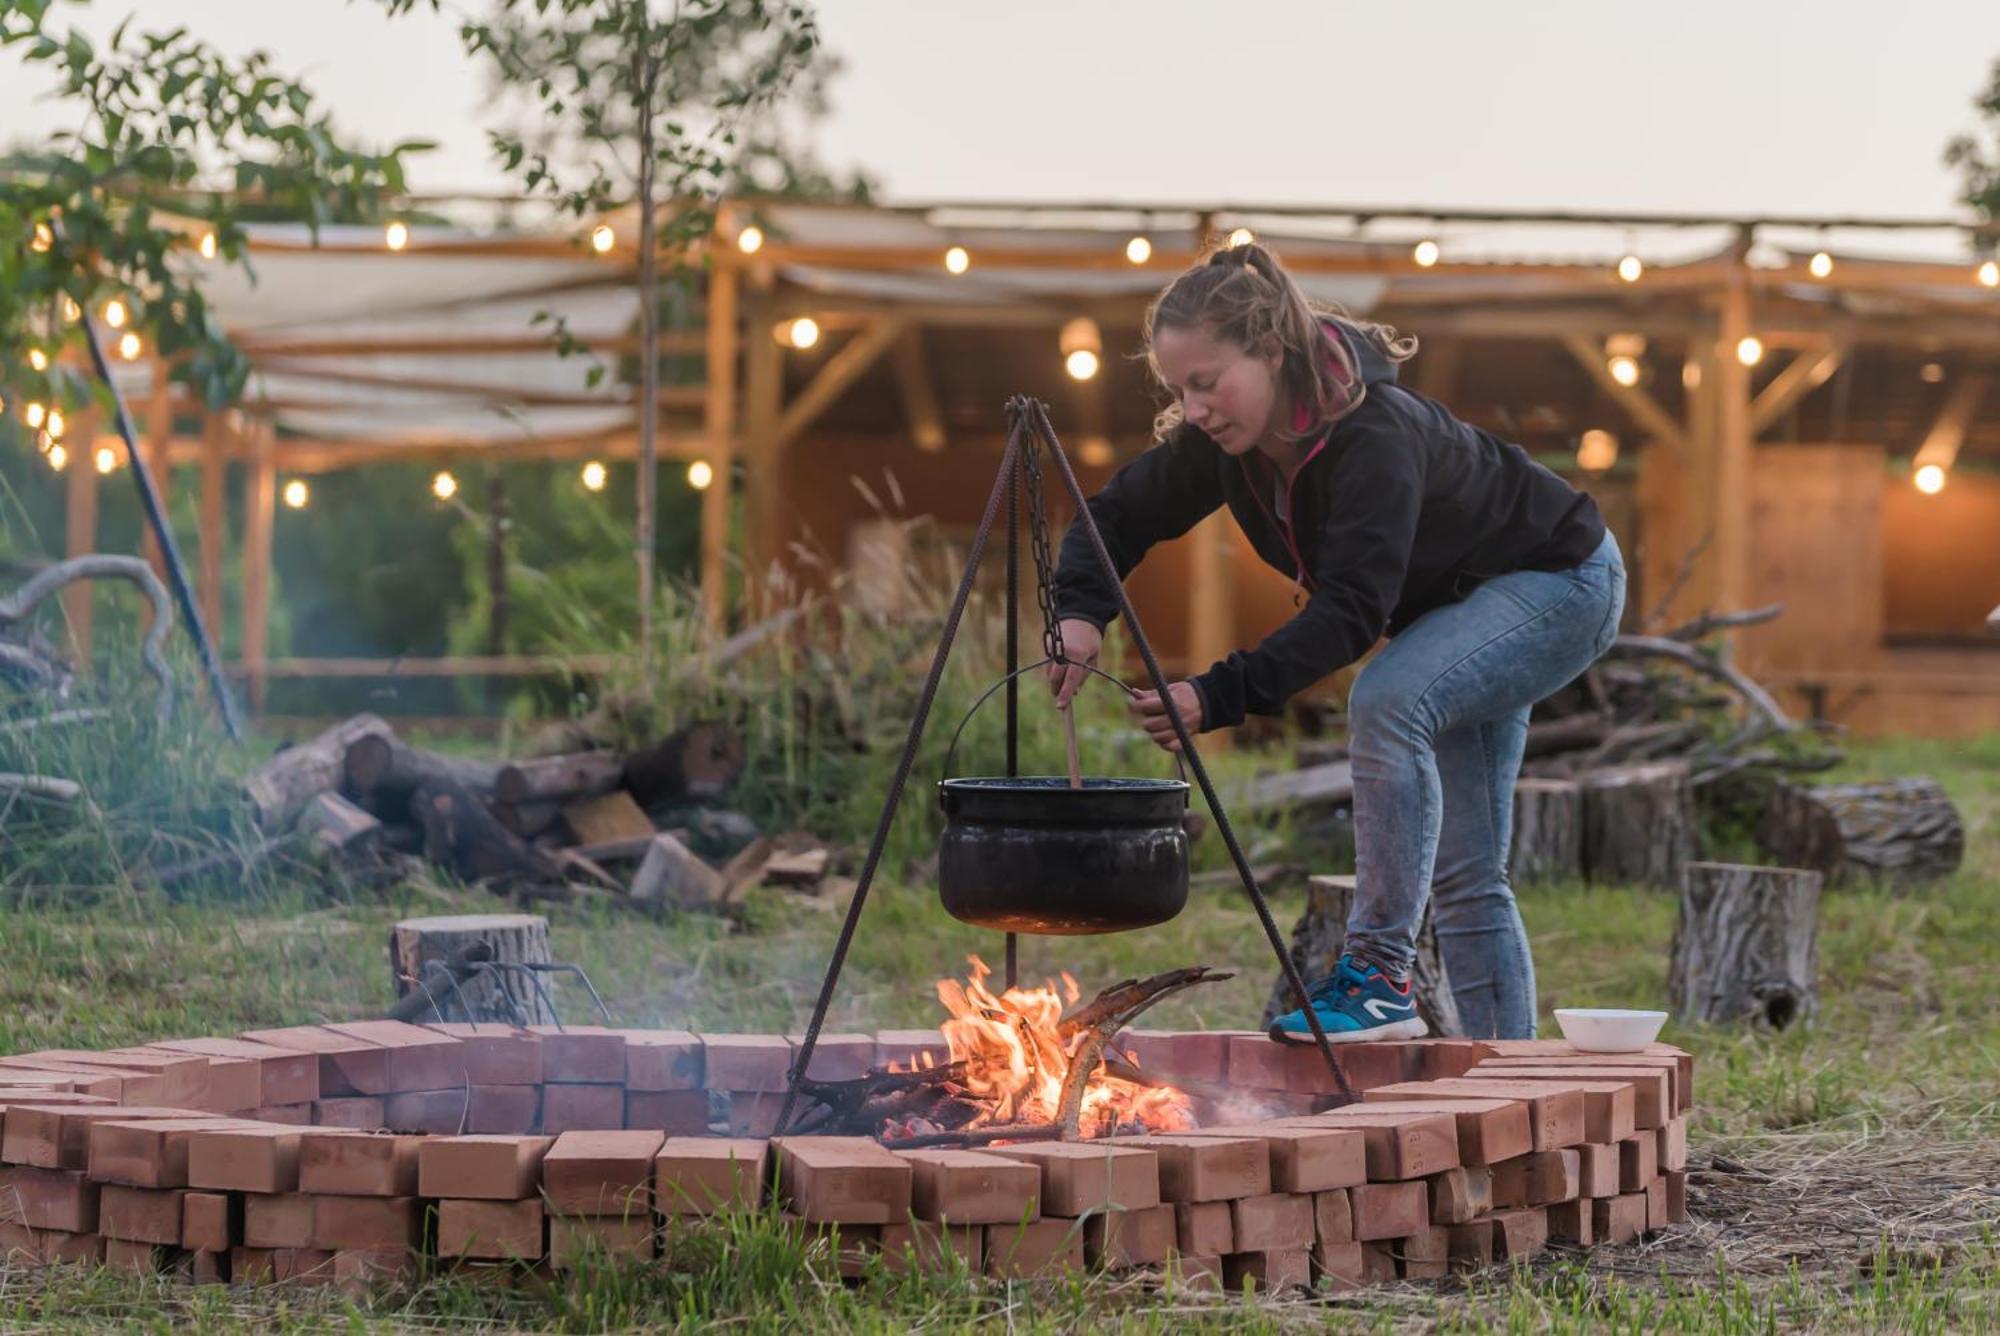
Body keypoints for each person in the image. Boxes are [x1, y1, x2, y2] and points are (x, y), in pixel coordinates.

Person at [1046, 242, 1626, 1042]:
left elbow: (1352, 611)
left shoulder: (1374, 435)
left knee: (1388, 700)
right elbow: (1115, 514)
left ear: (1272, 352)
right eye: (1181, 388)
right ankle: (1512, 1084)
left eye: (1208, 382)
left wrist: (1216, 694)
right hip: (1457, 609)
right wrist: (1079, 613)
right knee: (1467, 874)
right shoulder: (1223, 449)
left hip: (1561, 581)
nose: (1197, 407)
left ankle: (1381, 974)